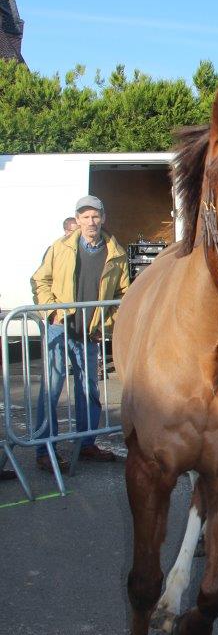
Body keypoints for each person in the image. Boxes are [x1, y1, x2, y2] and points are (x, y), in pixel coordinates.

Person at [31, 195, 129, 471]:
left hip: (89, 334)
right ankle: (43, 449)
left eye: (95, 216)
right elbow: (40, 280)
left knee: (89, 391)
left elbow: (124, 296)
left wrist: (105, 325)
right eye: (85, 217)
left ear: (103, 218)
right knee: (51, 391)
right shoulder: (59, 248)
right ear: (77, 220)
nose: (91, 221)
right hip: (58, 331)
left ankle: (86, 445)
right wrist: (52, 312)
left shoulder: (116, 253)